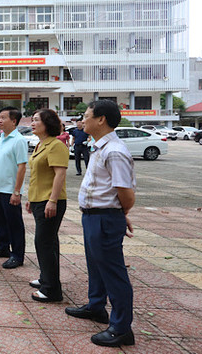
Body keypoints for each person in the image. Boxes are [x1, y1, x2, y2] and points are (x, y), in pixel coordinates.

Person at [65, 100, 136, 347]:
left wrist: (120, 213)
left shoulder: (114, 151)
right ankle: (96, 306)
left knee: (113, 272)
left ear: (101, 119)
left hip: (105, 218)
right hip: (93, 216)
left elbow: (126, 193)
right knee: (96, 266)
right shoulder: (99, 147)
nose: (82, 120)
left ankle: (121, 328)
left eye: (86, 116)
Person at [25, 108, 68, 302]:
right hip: (38, 200)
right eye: (32, 120)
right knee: (48, 242)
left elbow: (60, 174)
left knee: (43, 242)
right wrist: (30, 198)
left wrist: (52, 200)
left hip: (51, 201)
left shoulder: (55, 146)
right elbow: (38, 176)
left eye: (36, 120)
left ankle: (51, 290)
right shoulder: (41, 144)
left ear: (47, 123)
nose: (32, 123)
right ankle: (46, 278)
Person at [0, 106, 28, 269]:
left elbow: (22, 167)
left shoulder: (18, 140)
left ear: (14, 121)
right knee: (0, 221)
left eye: (3, 118)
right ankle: (3, 247)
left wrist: (17, 191)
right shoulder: (1, 138)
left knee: (14, 224)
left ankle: (17, 255)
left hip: (10, 190)